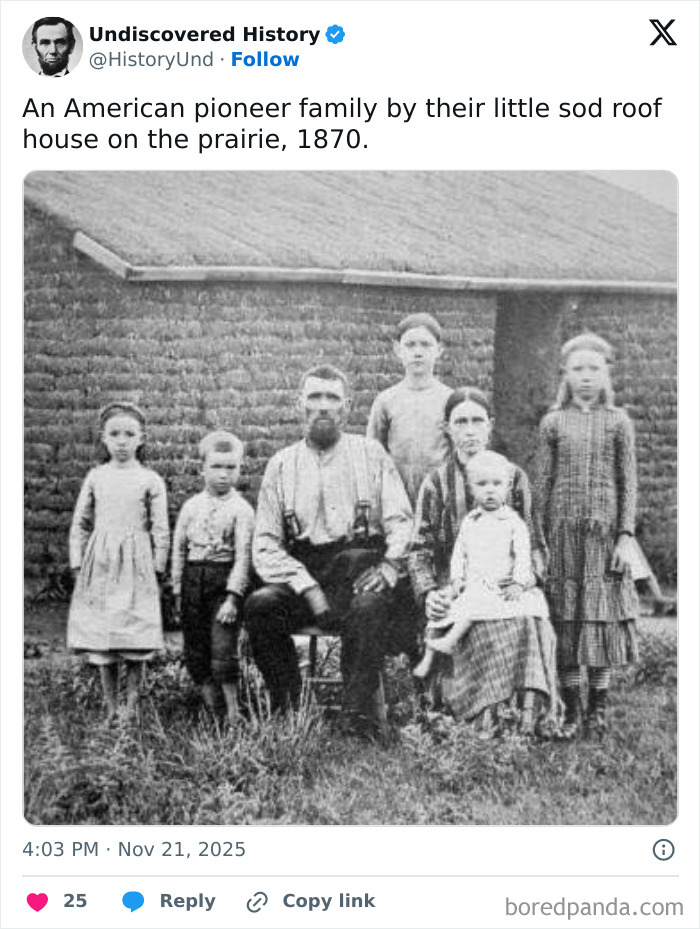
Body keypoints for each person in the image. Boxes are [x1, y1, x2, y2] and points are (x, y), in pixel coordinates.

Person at [245, 364, 413, 736]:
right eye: (315, 397)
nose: (323, 406)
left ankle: (355, 718)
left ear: (347, 406)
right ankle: (291, 708)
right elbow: (265, 543)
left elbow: (402, 522)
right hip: (304, 573)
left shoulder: (371, 455)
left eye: (332, 398)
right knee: (260, 607)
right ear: (299, 404)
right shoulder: (281, 464)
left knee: (369, 608)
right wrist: (306, 585)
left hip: (359, 570)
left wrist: (388, 568)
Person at [410, 388, 557, 731]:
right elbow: (419, 550)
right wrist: (430, 591)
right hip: (457, 584)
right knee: (461, 617)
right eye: (461, 422)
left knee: (526, 618)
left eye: (477, 421)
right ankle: (470, 716)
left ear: (490, 426)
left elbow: (533, 542)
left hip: (509, 581)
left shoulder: (513, 477)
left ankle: (521, 717)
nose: (470, 430)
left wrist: (528, 579)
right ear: (447, 428)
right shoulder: (436, 483)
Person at [537, 333, 639, 738]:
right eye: (577, 369)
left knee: (599, 619)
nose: (585, 377)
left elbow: (628, 482)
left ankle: (598, 707)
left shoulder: (619, 423)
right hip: (562, 538)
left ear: (605, 373)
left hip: (604, 538)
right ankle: (571, 708)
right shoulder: (553, 423)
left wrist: (625, 535)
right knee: (566, 619)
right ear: (566, 374)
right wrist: (538, 543)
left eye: (593, 369)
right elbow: (543, 485)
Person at [68, 402, 169, 723]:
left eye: (129, 434)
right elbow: (81, 522)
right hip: (101, 564)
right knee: (104, 638)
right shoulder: (97, 477)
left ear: (142, 438)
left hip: (137, 565)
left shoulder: (150, 480)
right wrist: (77, 562)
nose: (122, 441)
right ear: (103, 439)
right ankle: (110, 707)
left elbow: (160, 527)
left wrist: (158, 565)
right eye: (115, 434)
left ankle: (131, 706)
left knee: (134, 635)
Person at [413, 451, 548, 679]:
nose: (490, 490)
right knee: (442, 613)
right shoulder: (470, 521)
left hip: (502, 585)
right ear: (472, 489)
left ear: (507, 488)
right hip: (473, 582)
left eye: (497, 484)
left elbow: (524, 555)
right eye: (482, 484)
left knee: (491, 608)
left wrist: (519, 582)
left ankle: (450, 642)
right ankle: (428, 659)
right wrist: (456, 579)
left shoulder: (513, 522)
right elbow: (459, 554)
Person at [171, 431, 254, 724]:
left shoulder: (241, 510)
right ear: (202, 468)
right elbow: (179, 549)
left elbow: (244, 556)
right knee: (196, 651)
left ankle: (234, 712)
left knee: (222, 651)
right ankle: (213, 711)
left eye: (230, 467)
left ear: (240, 469)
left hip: (222, 585)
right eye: (216, 467)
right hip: (193, 583)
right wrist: (178, 592)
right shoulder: (191, 507)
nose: (223, 474)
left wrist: (233, 598)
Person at [367, 312, 452, 507]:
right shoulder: (386, 400)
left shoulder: (449, 400)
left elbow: (458, 454)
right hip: (396, 500)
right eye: (410, 345)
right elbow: (373, 454)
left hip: (440, 500)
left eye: (425, 344)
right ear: (398, 349)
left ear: (439, 349)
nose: (418, 352)